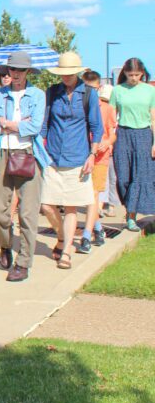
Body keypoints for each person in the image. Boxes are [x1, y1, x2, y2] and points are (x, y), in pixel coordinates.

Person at [0, 51, 49, 282]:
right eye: (13, 70)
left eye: (21, 70)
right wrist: (15, 125)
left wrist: (7, 123)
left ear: (28, 72)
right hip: (1, 153)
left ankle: (23, 263)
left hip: (29, 153)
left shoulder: (37, 95)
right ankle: (5, 244)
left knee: (28, 213)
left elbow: (36, 127)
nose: (16, 74)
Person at [40, 53, 102, 269]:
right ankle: (61, 236)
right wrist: (40, 151)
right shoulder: (52, 92)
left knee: (71, 208)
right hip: (53, 158)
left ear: (77, 72)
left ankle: (66, 250)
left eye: (69, 73)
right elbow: (45, 124)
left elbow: (96, 127)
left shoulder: (89, 94)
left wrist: (92, 155)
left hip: (78, 159)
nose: (66, 77)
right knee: (47, 205)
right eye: (62, 73)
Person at [110, 58, 155, 231]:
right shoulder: (118, 90)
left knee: (139, 176)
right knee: (122, 177)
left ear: (142, 73)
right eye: (130, 75)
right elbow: (112, 118)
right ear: (125, 73)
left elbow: (153, 118)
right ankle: (129, 207)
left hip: (144, 134)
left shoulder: (149, 91)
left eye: (137, 75)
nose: (134, 78)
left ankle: (131, 215)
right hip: (123, 134)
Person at [77, 72, 116, 253]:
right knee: (86, 197)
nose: (89, 92)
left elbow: (113, 132)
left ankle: (86, 234)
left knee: (93, 195)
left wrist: (106, 143)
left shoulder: (106, 108)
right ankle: (98, 228)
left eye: (93, 88)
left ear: (99, 88)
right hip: (83, 155)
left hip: (100, 157)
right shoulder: (80, 105)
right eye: (86, 88)